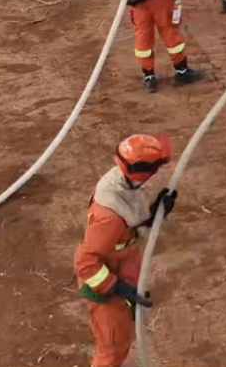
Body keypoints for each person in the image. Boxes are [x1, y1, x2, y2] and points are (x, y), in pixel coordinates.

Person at [74, 134, 175, 367]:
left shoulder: (123, 181)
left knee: (122, 337)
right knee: (112, 350)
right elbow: (85, 262)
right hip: (105, 290)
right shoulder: (108, 217)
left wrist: (154, 212)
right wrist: (116, 287)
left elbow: (128, 225)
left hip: (124, 269)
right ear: (144, 171)